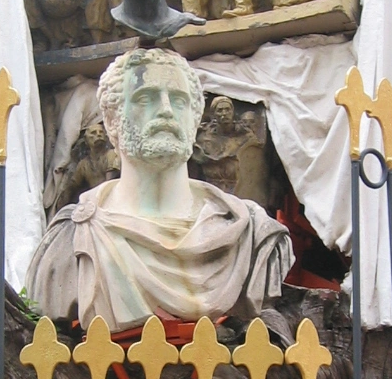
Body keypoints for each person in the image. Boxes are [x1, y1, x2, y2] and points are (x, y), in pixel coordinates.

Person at [26, 47, 291, 330]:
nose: (165, 110)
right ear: (112, 121)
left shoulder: (253, 235)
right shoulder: (70, 239)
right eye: (145, 98)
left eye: (178, 100)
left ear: (195, 121)